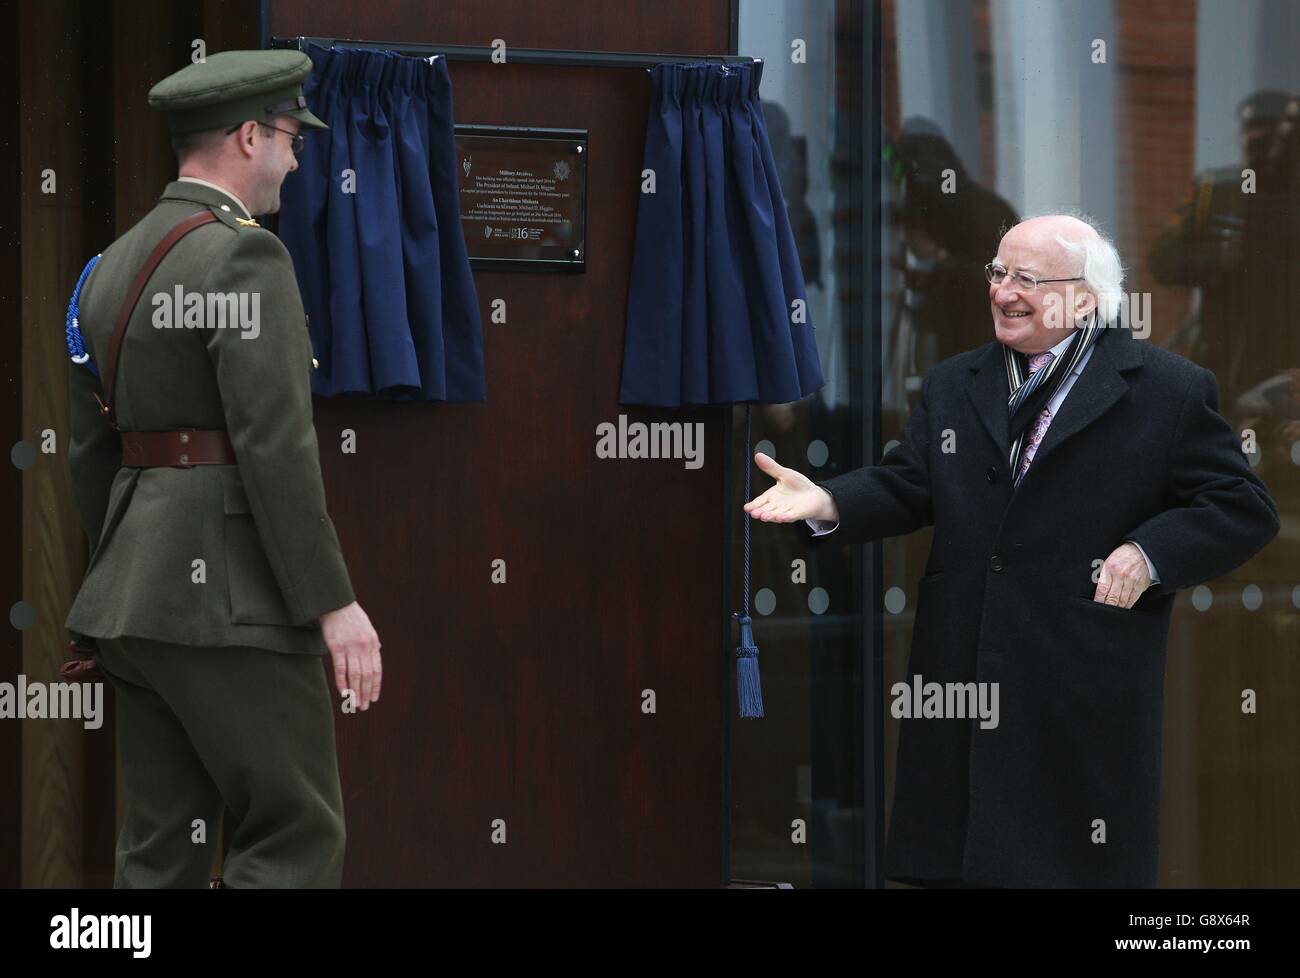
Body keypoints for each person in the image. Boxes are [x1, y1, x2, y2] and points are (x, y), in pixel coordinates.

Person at [744, 214, 1280, 888]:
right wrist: (827, 501)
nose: (1003, 292)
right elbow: (909, 484)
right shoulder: (953, 383)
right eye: (997, 273)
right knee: (961, 864)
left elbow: (1242, 507)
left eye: (1026, 278)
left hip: (1078, 692)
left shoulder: (1167, 391)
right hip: (964, 685)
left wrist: (1148, 554)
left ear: (1084, 297)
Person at [63, 50, 382, 888]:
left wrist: (116, 584)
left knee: (160, 849)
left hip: (134, 606)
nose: (294, 159)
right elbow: (275, 444)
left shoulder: (107, 270)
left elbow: (92, 453)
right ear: (248, 136)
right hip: (228, 602)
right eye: (289, 139)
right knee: (295, 836)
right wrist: (333, 604)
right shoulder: (248, 259)